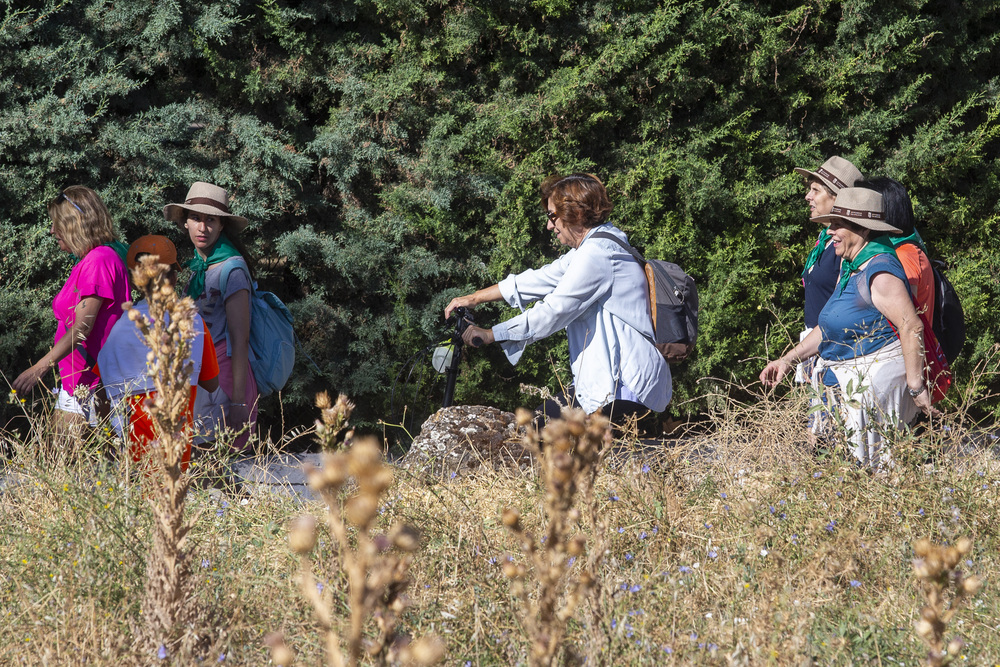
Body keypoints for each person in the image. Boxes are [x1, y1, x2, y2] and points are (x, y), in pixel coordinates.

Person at [444, 173, 671, 427]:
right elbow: (539, 279)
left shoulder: (597, 255)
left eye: (553, 216)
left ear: (576, 213)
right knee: (536, 430)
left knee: (540, 436)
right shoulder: (599, 244)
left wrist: (490, 334)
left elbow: (553, 312)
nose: (549, 226)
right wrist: (475, 298)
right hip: (609, 384)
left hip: (624, 390)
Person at [760, 187, 933, 468]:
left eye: (838, 225)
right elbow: (828, 327)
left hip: (872, 401)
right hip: (845, 397)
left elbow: (910, 325)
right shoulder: (853, 266)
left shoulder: (880, 270)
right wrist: (788, 360)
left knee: (876, 481)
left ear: (862, 229)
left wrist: (916, 387)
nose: (830, 232)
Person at [96, 236, 220, 471]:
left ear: (135, 282)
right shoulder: (194, 323)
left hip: (133, 456)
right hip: (177, 452)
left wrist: (107, 444)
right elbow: (212, 384)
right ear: (174, 277)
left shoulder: (121, 328)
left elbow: (102, 390)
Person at [12, 186, 129, 433]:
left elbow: (82, 328)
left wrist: (39, 368)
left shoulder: (99, 260)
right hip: (79, 381)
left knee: (61, 461)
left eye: (57, 223)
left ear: (76, 223)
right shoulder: (90, 260)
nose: (52, 230)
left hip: (89, 382)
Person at [164, 182, 257, 451]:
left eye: (211, 220)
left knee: (219, 474)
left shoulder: (233, 269)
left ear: (221, 225)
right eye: (196, 218)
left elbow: (240, 341)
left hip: (226, 383)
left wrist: (239, 403)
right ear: (184, 222)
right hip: (201, 379)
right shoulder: (197, 267)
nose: (202, 228)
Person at [791, 156, 863, 382]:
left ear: (838, 198)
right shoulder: (825, 239)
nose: (808, 196)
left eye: (815, 190)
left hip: (835, 353)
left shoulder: (848, 249)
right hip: (815, 346)